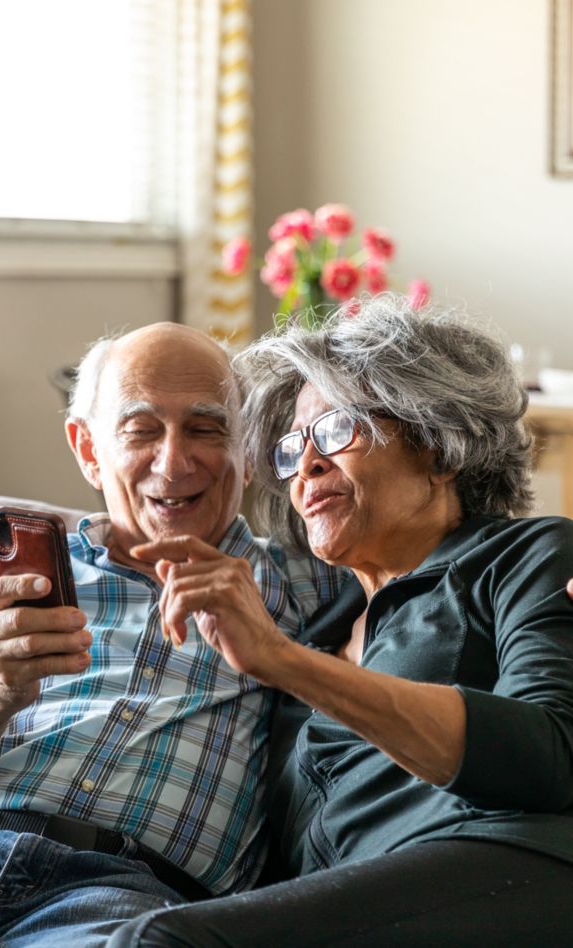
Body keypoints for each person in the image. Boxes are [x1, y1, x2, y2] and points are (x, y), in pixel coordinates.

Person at [117, 295, 573, 945]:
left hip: (512, 870)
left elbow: (549, 757)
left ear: (438, 445)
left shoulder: (527, 555)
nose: (306, 465)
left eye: (336, 430)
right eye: (292, 447)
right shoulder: (319, 620)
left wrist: (283, 660)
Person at [0, 323, 345, 946]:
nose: (174, 461)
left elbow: (444, 564)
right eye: (140, 429)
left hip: (118, 898)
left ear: (250, 449)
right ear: (88, 450)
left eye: (207, 429)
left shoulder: (310, 580)